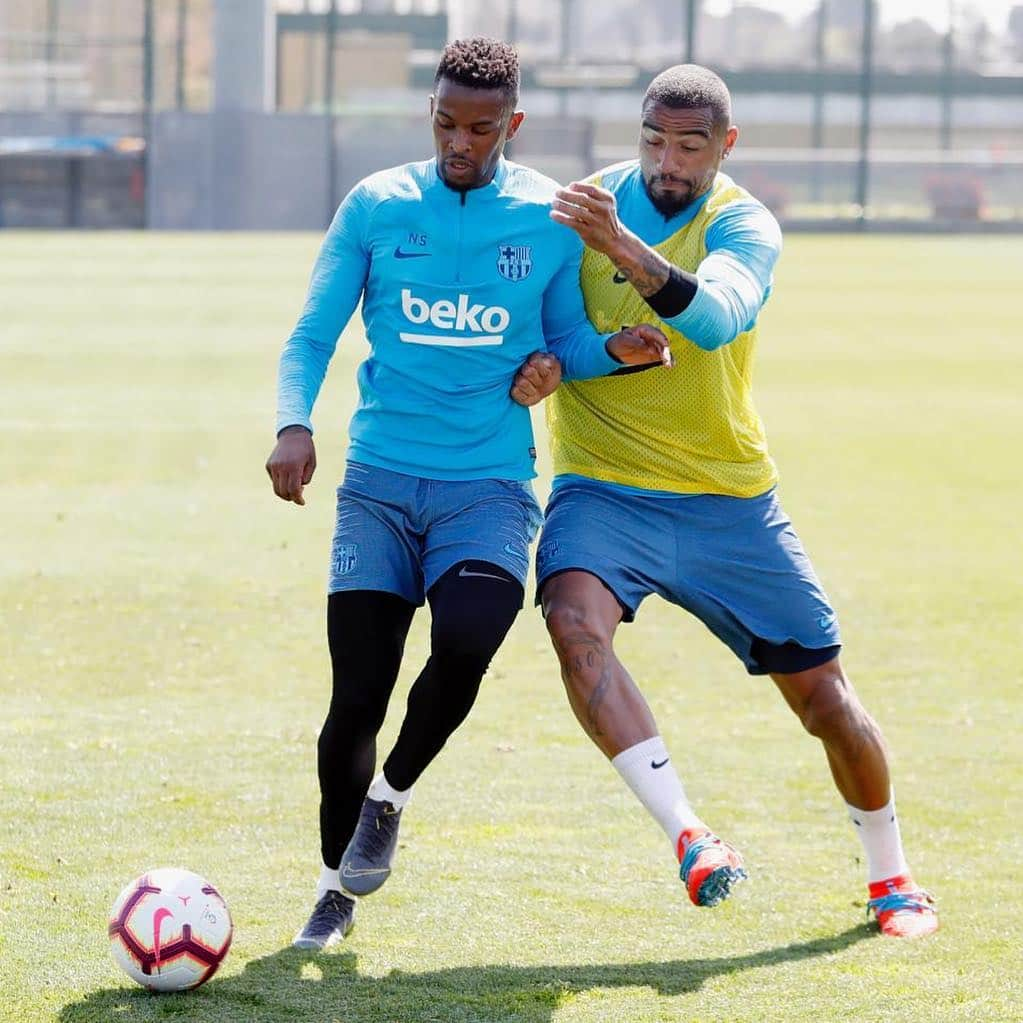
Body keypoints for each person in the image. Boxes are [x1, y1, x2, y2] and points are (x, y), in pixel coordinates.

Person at [266, 37, 670, 951]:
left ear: (512, 126)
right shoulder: (375, 204)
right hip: (377, 484)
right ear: (432, 115)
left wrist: (606, 353)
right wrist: (295, 424)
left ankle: (391, 795)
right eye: (446, 123)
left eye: (480, 128)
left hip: (486, 484)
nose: (460, 141)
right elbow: (310, 336)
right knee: (356, 698)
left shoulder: (545, 217)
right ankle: (334, 890)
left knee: (466, 642)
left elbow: (558, 343)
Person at [516, 64, 938, 939]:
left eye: (690, 146)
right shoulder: (584, 205)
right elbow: (550, 327)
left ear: (726, 145)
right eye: (654, 141)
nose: (667, 162)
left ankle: (891, 878)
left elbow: (713, 318)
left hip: (727, 499)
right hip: (602, 485)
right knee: (569, 621)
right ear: (637, 135)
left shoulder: (743, 222)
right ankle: (690, 834)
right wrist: (564, 359)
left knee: (825, 700)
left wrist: (623, 248)